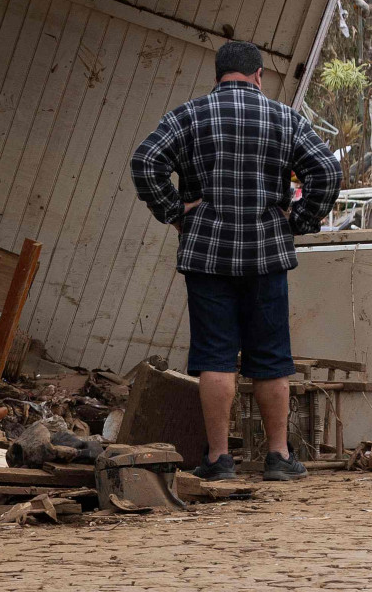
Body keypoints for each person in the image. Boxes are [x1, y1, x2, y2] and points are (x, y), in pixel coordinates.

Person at [131, 39, 340, 483]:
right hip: (267, 252)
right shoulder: (284, 118)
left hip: (207, 253)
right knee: (271, 357)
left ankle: (219, 459)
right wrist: (298, 220)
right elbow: (327, 170)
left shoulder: (188, 115)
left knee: (215, 356)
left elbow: (146, 161)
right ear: (259, 75)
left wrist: (175, 212)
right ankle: (278, 457)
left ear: (218, 74)